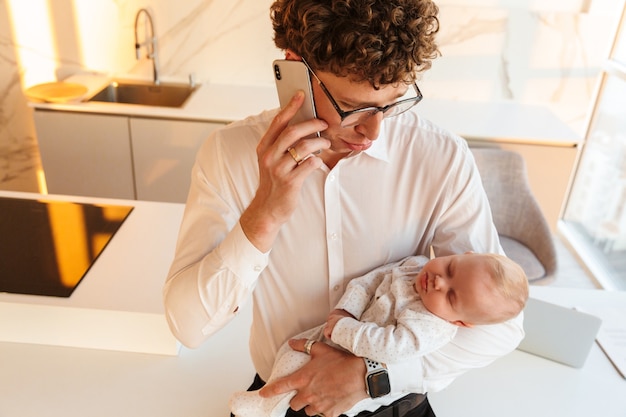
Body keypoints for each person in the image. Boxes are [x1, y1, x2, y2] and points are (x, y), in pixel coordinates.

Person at [163, 1, 526, 416]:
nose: (373, 131)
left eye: (391, 104)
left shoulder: (441, 157)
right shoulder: (229, 156)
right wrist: (263, 216)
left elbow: (501, 327)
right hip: (282, 399)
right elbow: (188, 328)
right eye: (354, 107)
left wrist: (369, 377)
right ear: (293, 68)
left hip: (395, 402)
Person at [229, 253, 529, 417]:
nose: (438, 281)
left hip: (357, 372)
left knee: (311, 391)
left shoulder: (431, 326)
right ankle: (265, 401)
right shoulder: (415, 266)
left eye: (451, 296)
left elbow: (390, 348)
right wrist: (343, 313)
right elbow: (368, 283)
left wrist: (347, 330)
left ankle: (270, 408)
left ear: (461, 323)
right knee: (290, 353)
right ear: (460, 255)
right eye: (450, 268)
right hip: (336, 330)